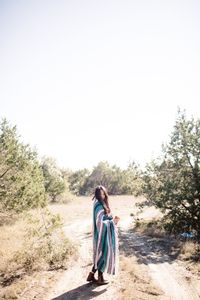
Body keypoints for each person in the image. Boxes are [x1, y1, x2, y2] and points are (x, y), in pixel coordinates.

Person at [86, 185, 120, 285]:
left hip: (105, 234)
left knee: (100, 254)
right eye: (100, 194)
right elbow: (100, 223)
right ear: (97, 195)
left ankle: (91, 275)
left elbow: (106, 217)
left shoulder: (101, 204)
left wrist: (113, 219)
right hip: (101, 234)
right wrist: (112, 222)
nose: (103, 196)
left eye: (104, 193)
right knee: (103, 254)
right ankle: (100, 278)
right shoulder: (98, 205)